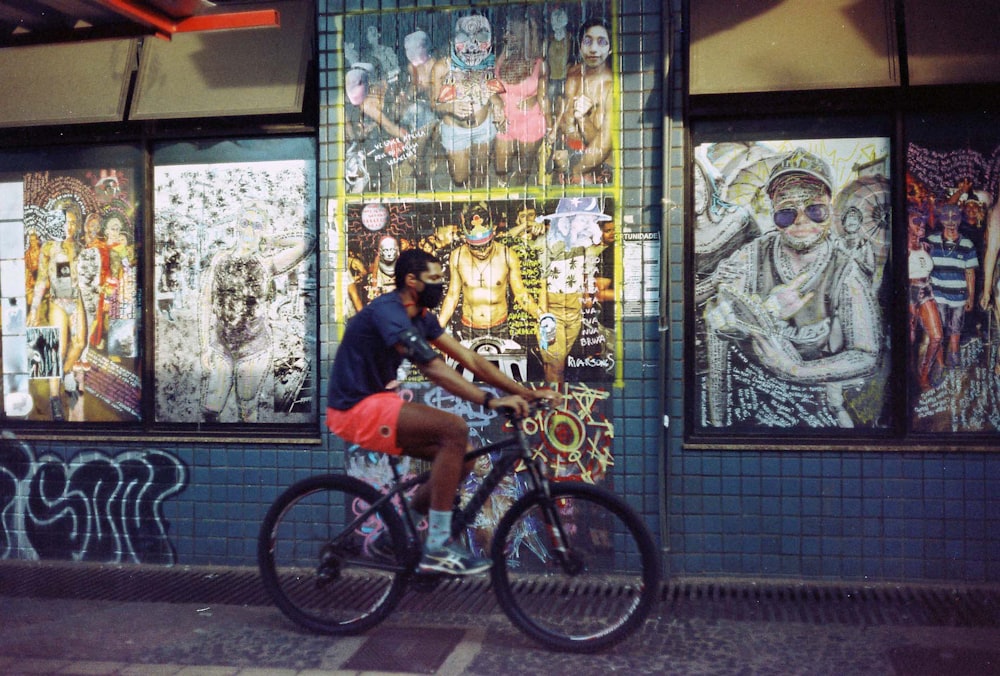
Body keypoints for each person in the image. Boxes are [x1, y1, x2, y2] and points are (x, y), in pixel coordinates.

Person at [326, 248, 558, 575]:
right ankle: (436, 547)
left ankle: (399, 535)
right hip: (354, 408)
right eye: (434, 278)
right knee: (454, 428)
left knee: (462, 456)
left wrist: (523, 392)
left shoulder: (421, 318)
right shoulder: (389, 312)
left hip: (380, 403)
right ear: (411, 280)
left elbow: (471, 359)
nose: (441, 284)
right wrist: (490, 401)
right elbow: (434, 368)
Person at [703, 148, 882, 428]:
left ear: (829, 207)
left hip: (812, 404)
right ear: (773, 210)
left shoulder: (845, 270)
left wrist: (795, 370)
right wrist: (726, 319)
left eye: (814, 209)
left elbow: (866, 354)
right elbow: (724, 305)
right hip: (748, 400)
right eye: (787, 212)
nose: (801, 220)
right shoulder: (752, 255)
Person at [200, 203, 315, 422]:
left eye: (256, 225)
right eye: (245, 223)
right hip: (222, 346)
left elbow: (308, 241)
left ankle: (248, 448)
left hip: (255, 349)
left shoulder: (267, 263)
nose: (249, 230)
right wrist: (205, 346)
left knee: (247, 405)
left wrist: (272, 239)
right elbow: (206, 301)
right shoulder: (220, 259)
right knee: (211, 407)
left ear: (262, 230)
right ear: (237, 226)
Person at [437, 203, 544, 338]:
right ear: (465, 240)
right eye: (475, 247)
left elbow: (521, 294)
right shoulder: (457, 256)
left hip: (499, 327)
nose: (482, 251)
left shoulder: (507, 255)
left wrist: (541, 315)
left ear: (493, 233)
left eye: (486, 245)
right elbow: (452, 296)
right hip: (468, 328)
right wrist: (437, 328)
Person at [532, 197, 608, 386]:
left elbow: (599, 249)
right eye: (583, 220)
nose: (588, 225)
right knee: (556, 365)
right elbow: (540, 282)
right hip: (552, 312)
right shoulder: (545, 243)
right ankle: (555, 409)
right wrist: (544, 317)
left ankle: (550, 405)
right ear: (566, 220)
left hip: (574, 312)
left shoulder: (582, 243)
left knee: (555, 365)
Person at [430, 14, 507, 188]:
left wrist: (498, 103)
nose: (472, 44)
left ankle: (476, 210)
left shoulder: (490, 62)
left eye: (480, 36)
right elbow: (433, 105)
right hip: (456, 131)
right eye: (464, 36)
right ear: (453, 38)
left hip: (484, 126)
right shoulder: (441, 67)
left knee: (480, 174)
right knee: (460, 179)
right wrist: (451, 106)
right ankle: (438, 144)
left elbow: (489, 90)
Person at [550, 19, 613, 185]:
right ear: (580, 46)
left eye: (601, 42)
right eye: (587, 41)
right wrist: (554, 130)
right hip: (566, 156)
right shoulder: (573, 72)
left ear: (610, 48)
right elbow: (562, 107)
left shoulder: (611, 86)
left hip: (593, 165)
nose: (593, 49)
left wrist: (583, 118)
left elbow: (605, 146)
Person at [494, 10, 550, 187]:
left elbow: (545, 97)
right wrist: (495, 102)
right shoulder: (504, 55)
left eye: (511, 32)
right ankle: (504, 189)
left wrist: (551, 129)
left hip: (530, 122)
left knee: (523, 168)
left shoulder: (539, 63)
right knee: (500, 168)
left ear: (522, 34)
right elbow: (491, 85)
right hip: (505, 121)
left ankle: (517, 198)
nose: (506, 35)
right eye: (506, 31)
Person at [926, 202, 979, 368]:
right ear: (941, 220)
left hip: (959, 295)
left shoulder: (967, 244)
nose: (950, 222)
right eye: (946, 217)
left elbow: (970, 273)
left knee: (956, 327)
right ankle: (939, 360)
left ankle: (954, 352)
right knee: (939, 327)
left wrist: (970, 297)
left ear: (960, 220)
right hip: (937, 293)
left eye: (954, 217)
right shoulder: (931, 241)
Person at [907, 207, 944, 389]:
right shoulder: (899, 248)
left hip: (926, 289)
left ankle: (924, 375)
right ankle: (909, 375)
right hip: (908, 291)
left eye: (921, 221)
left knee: (936, 336)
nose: (921, 225)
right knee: (910, 338)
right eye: (915, 221)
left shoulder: (927, 246)